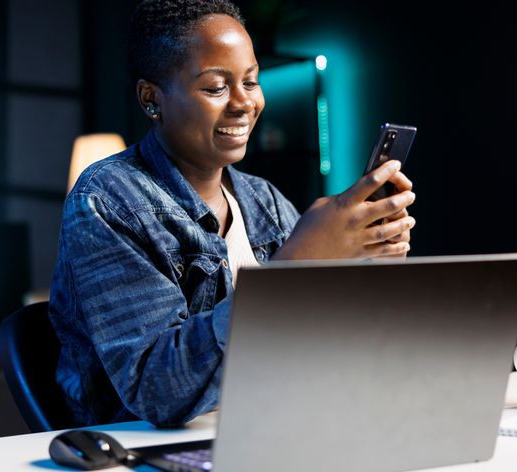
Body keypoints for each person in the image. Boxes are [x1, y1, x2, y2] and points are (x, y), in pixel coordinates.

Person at [49, 0, 416, 428]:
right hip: (143, 449)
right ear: (152, 99)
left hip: (270, 428)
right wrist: (296, 265)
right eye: (216, 87)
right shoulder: (108, 201)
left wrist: (370, 274)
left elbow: (320, 351)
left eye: (251, 81)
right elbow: (157, 392)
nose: (245, 103)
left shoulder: (266, 202)